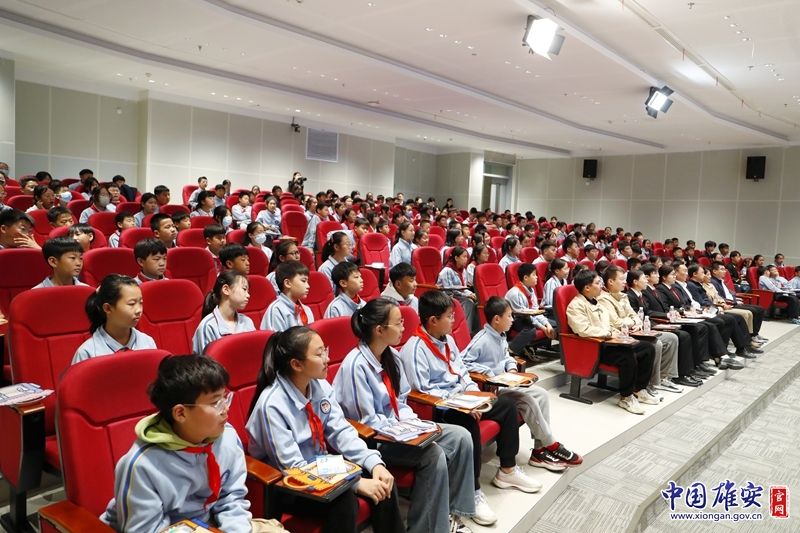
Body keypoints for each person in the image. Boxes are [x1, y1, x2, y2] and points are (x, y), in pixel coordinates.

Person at [333, 299, 478, 531]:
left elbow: (401, 402)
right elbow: (366, 422)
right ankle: (426, 528)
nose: (403, 328)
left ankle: (454, 513)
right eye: (398, 323)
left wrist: (415, 425)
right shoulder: (356, 365)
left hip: (401, 429)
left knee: (461, 437)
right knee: (432, 455)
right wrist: (407, 433)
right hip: (376, 439)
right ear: (380, 330)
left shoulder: (392, 356)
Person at [399, 290, 542, 523]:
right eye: (449, 316)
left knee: (506, 405)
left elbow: (462, 373)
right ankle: (472, 492)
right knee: (468, 423)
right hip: (439, 407)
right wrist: (462, 403)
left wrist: (474, 395)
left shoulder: (447, 340)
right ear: (432, 320)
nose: (454, 320)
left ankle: (507, 470)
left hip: (462, 398)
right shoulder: (415, 348)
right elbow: (423, 391)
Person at [246, 327, 405, 533]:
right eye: (319, 354)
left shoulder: (319, 386)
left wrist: (374, 464)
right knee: (345, 501)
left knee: (383, 481)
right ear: (296, 364)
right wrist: (355, 484)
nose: (327, 359)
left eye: (325, 351)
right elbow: (293, 467)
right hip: (287, 483)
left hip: (321, 466)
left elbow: (342, 432)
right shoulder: (271, 404)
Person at [101, 355, 281, 533]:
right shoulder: (142, 466)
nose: (226, 408)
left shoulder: (227, 437)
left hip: (211, 522)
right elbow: (146, 529)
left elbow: (231, 499)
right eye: (215, 403)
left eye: (225, 398)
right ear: (181, 413)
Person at [462, 296, 582, 472]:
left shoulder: (500, 335)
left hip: (505, 383)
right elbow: (462, 362)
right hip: (490, 388)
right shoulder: (482, 339)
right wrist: (488, 372)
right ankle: (552, 444)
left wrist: (511, 368)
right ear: (497, 319)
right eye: (509, 316)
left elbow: (506, 357)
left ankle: (539, 451)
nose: (512, 320)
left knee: (541, 394)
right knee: (527, 400)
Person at [567, 269, 656, 415]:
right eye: (598, 283)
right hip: (595, 347)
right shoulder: (575, 305)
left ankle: (638, 389)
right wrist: (608, 334)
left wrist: (617, 333)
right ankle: (626, 397)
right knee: (627, 356)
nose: (601, 286)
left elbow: (609, 324)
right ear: (587, 287)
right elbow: (583, 330)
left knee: (647, 348)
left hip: (611, 341)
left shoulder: (598, 303)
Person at [599, 266, 680, 400]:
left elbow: (636, 315)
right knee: (655, 344)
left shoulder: (623, 296)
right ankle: (649, 384)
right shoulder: (604, 299)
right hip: (621, 334)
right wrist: (633, 322)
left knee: (671, 338)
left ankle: (663, 377)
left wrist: (636, 322)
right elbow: (617, 322)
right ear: (611, 281)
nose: (624, 282)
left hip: (634, 330)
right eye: (621, 279)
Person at [626, 268, 699, 389]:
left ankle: (669, 375)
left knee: (686, 332)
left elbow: (648, 312)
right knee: (677, 336)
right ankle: (661, 378)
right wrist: (660, 321)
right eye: (644, 278)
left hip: (651, 323)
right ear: (635, 281)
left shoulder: (640, 294)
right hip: (642, 328)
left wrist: (666, 317)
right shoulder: (630, 296)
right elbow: (640, 315)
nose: (646, 280)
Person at [72, 274, 156, 364]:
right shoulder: (87, 353)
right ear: (108, 308)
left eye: (141, 302)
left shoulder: (148, 343)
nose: (139, 310)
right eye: (131, 304)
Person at [192, 270, 255, 354]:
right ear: (226, 289)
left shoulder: (247, 322)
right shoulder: (208, 325)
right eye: (244, 289)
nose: (248, 295)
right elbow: (207, 361)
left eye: (248, 291)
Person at [504, 263, 557, 357]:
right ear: (525, 277)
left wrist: (547, 325)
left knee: (556, 325)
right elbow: (525, 315)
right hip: (515, 318)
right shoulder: (515, 293)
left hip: (528, 317)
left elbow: (535, 311)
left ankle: (534, 346)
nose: (537, 277)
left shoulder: (531, 291)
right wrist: (543, 328)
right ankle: (510, 351)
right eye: (534, 275)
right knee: (530, 330)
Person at [708, 262, 767, 343]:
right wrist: (734, 302)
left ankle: (755, 334)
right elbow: (720, 297)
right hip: (729, 304)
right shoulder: (713, 282)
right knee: (753, 311)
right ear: (714, 271)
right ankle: (750, 336)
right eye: (722, 269)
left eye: (725, 269)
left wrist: (736, 299)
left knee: (759, 309)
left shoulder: (722, 281)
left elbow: (729, 293)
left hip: (732, 301)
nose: (724, 271)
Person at [261, 260, 314, 331]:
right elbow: (275, 337)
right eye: (303, 281)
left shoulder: (306, 310)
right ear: (287, 283)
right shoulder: (276, 310)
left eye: (307, 281)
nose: (308, 286)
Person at [438, 247, 478, 332]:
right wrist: (467, 296)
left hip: (458, 296)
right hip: (446, 297)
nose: (466, 259)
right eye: (464, 257)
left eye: (467, 257)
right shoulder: (447, 271)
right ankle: (466, 331)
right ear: (456, 258)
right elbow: (449, 290)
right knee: (468, 302)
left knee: (477, 301)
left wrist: (471, 294)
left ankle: (475, 330)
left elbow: (463, 288)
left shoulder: (463, 271)